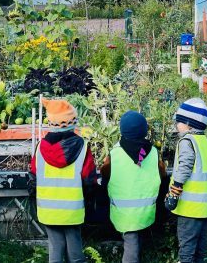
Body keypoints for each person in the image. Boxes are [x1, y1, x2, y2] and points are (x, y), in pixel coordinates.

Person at [30, 98, 96, 263]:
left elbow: (32, 179)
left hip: (48, 210)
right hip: (73, 210)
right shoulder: (82, 147)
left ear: (51, 122)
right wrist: (89, 202)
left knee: (55, 250)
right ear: (73, 122)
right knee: (75, 253)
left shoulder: (40, 148)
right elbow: (89, 181)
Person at [101, 111, 166, 263]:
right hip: (147, 211)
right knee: (135, 242)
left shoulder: (114, 154)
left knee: (131, 247)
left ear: (122, 130)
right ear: (144, 130)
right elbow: (162, 174)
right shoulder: (153, 153)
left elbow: (105, 174)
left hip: (123, 213)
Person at [165, 98, 207, 263]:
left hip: (190, 208)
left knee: (186, 246)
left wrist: (174, 191)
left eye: (178, 121)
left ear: (188, 124)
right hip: (205, 207)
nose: (176, 125)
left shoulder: (187, 141)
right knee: (200, 246)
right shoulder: (206, 143)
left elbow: (184, 168)